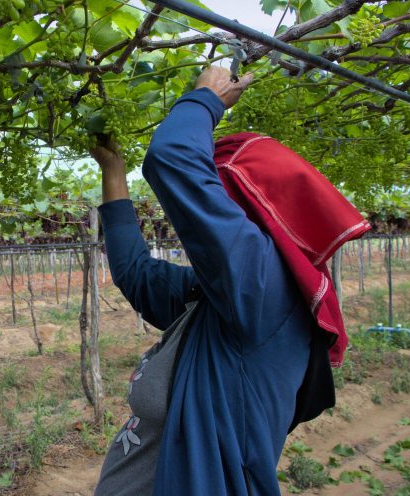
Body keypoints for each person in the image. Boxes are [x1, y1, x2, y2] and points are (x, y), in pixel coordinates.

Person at [91, 66, 369, 495]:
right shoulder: (215, 304)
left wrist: (207, 99)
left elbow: (173, 160)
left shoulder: (264, 292)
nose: (207, 215)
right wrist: (114, 169)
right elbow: (135, 273)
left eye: (220, 196)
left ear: (257, 213)